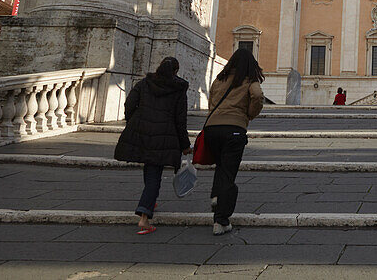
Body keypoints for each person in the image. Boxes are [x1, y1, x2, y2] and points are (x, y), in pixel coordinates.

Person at [113, 56, 190, 234]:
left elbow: (129, 104)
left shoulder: (144, 83)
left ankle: (150, 199)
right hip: (165, 136)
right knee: (154, 174)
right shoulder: (178, 89)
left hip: (143, 132)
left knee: (150, 169)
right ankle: (144, 216)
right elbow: (181, 120)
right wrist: (185, 144)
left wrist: (134, 121)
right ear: (176, 72)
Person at [203, 48, 265, 235]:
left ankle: (216, 195)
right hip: (234, 130)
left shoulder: (219, 79)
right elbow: (258, 96)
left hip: (212, 128)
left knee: (221, 166)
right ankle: (221, 221)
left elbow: (211, 100)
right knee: (228, 173)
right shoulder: (248, 80)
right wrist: (248, 115)